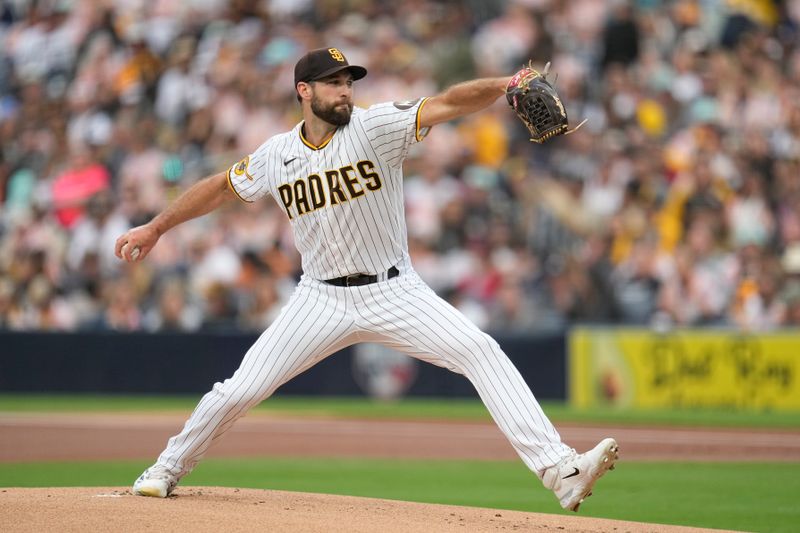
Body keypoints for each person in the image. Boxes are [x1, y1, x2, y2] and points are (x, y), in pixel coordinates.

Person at [116, 47, 618, 512]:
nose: (345, 90)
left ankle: (559, 469)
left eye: (348, 81)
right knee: (239, 390)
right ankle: (166, 467)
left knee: (480, 349)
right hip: (319, 297)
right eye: (332, 82)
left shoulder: (376, 126)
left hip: (395, 289)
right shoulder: (275, 154)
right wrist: (157, 226)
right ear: (304, 91)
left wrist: (506, 82)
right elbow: (220, 188)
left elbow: (447, 103)